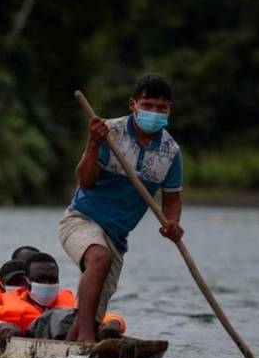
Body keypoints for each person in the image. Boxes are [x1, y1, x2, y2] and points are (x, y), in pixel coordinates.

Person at [60, 73, 183, 343]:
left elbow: (172, 199)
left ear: (169, 110)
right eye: (148, 105)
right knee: (99, 259)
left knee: (89, 316)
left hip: (117, 236)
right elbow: (85, 181)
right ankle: (86, 339)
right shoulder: (110, 133)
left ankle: (67, 350)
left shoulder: (171, 153)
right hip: (81, 220)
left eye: (161, 108)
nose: (155, 112)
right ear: (133, 104)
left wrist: (172, 223)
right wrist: (93, 143)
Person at [0, 253, 78, 347]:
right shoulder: (8, 304)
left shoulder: (71, 303)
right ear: (26, 282)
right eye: (40, 279)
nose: (47, 284)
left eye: (52, 279)